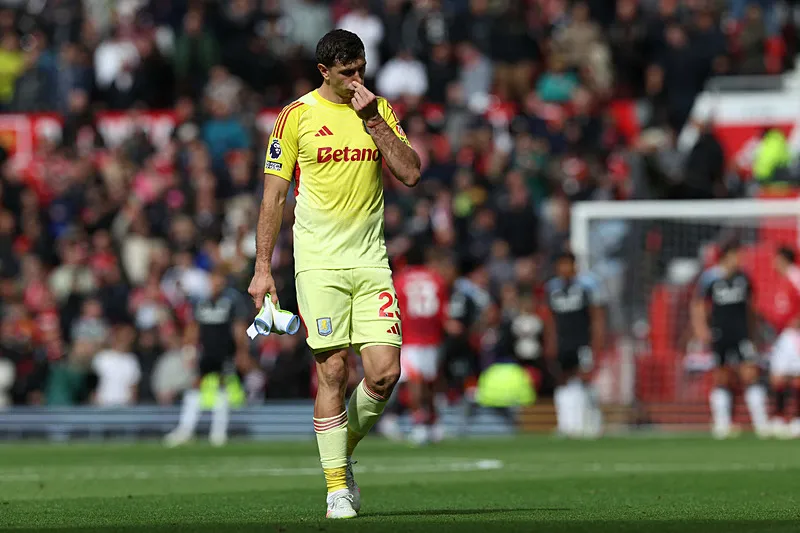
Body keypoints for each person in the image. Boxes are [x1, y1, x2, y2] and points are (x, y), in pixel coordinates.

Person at [247, 29, 421, 519]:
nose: (357, 80)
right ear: (324, 71)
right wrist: (263, 268)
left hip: (371, 260)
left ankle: (337, 450)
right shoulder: (296, 117)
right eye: (348, 72)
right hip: (319, 263)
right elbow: (274, 197)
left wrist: (374, 124)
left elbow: (410, 172)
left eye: (362, 69)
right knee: (333, 369)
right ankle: (337, 487)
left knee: (385, 374)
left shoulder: (377, 109)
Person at [164, 265, 251, 447]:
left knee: (222, 387)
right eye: (213, 280)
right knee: (196, 386)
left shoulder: (232, 300)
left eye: (219, 281)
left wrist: (241, 351)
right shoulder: (200, 301)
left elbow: (238, 328)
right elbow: (193, 327)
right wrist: (189, 349)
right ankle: (186, 429)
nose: (215, 284)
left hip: (224, 351)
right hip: (205, 350)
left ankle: (218, 433)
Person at [691, 240, 769, 439]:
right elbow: (698, 305)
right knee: (722, 376)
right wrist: (701, 329)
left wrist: (754, 334)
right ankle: (722, 424)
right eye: (737, 255)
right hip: (720, 333)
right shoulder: (709, 278)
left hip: (741, 333)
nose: (740, 260)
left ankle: (761, 423)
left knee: (750, 373)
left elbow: (750, 308)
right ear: (726, 256)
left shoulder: (744, 278)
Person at [544, 251, 606, 438]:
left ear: (575, 266)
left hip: (582, 341)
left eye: (568, 264)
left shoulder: (588, 286)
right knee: (562, 380)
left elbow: (597, 317)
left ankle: (593, 423)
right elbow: (550, 319)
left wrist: (597, 343)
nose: (564, 269)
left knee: (585, 379)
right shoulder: (552, 288)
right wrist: (550, 342)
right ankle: (567, 425)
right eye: (561, 265)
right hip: (563, 342)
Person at [393, 246, 449, 445]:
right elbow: (443, 310)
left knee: (415, 383)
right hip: (432, 336)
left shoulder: (400, 280)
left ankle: (419, 425)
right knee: (429, 383)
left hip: (410, 337)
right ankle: (434, 424)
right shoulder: (437, 279)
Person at [769, 247, 800, 437]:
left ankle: (797, 418)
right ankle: (780, 418)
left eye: (776, 259)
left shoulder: (795, 275)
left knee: (796, 376)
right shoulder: (782, 279)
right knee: (778, 376)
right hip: (783, 335)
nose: (773, 263)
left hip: (795, 335)